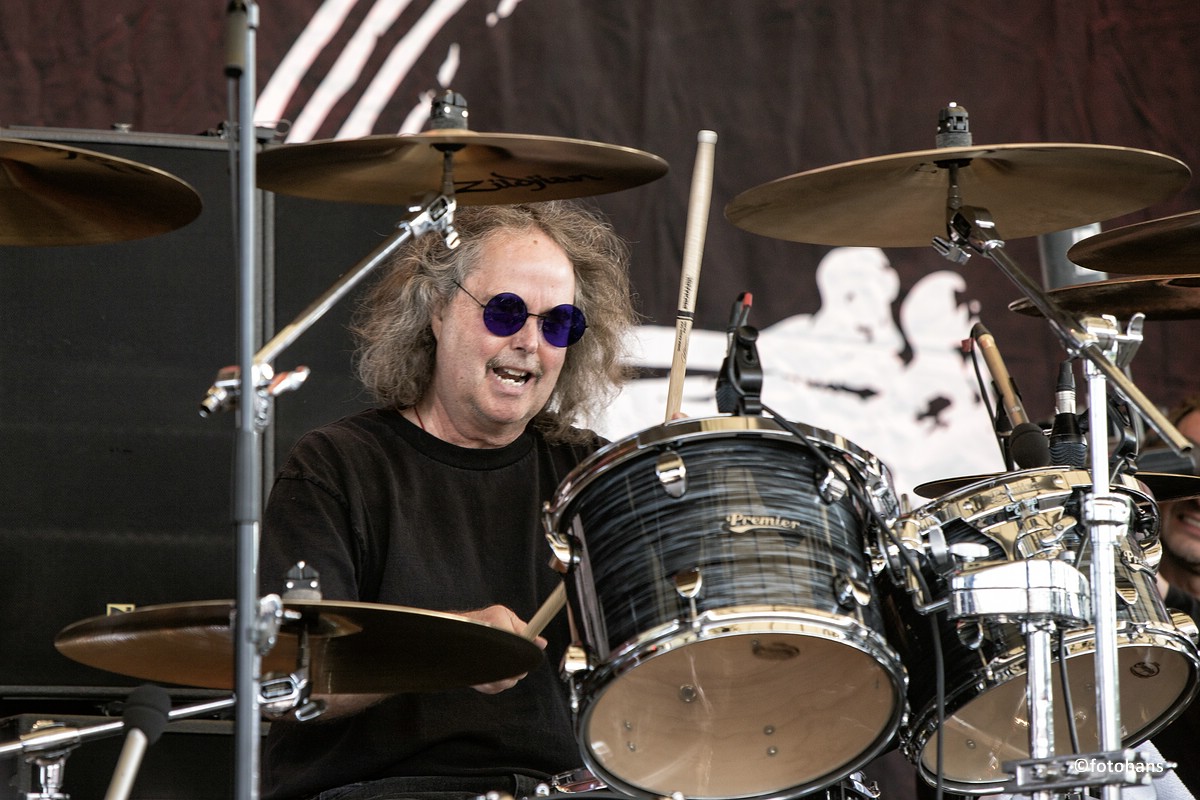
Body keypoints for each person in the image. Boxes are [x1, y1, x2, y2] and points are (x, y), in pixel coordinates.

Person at [257, 200, 639, 800]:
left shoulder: (596, 478)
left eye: (558, 323)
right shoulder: (338, 465)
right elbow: (290, 680)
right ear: (436, 308)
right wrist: (453, 646)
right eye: (505, 312)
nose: (529, 342)